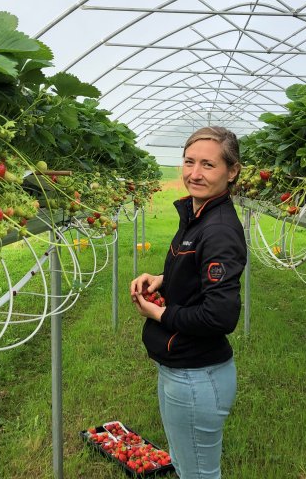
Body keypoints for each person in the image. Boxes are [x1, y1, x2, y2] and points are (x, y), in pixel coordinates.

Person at [130, 126, 246, 479]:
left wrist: (160, 312)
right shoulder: (198, 215)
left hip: (197, 376)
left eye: (208, 165)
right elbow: (198, 275)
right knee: (185, 466)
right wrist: (163, 279)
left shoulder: (219, 229)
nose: (194, 173)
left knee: (198, 473)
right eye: (189, 161)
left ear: (232, 170)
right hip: (182, 370)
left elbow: (220, 315)